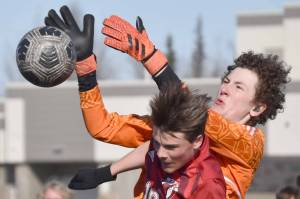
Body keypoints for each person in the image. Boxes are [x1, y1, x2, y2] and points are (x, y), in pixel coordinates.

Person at [44, 6, 291, 199]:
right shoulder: (176, 124)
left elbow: (200, 119)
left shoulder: (250, 144)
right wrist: (86, 68)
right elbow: (103, 127)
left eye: (238, 87)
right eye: (226, 81)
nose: (225, 89)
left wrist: (150, 57)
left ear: (257, 107)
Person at [70, 84, 226, 198]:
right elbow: (149, 149)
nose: (160, 154)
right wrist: (107, 172)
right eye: (157, 143)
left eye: (171, 147)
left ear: (197, 141)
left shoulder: (208, 185)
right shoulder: (163, 148)